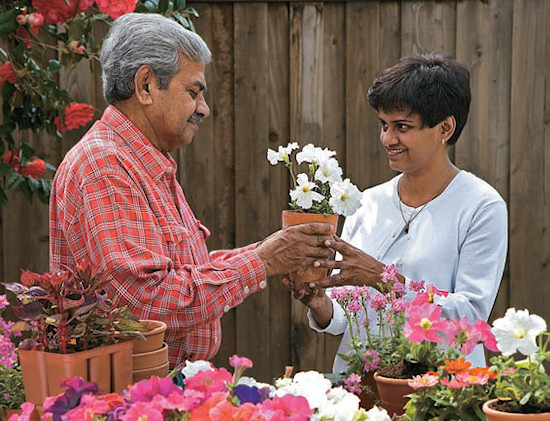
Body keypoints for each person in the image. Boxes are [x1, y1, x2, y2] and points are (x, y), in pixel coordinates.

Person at [49, 13, 334, 369]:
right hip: (132, 398)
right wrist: (264, 261)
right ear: (146, 86)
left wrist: (274, 251)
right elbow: (148, 301)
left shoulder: (142, 160)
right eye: (193, 92)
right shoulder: (105, 165)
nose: (204, 108)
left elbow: (184, 274)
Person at [293, 53, 508, 373]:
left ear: (445, 128)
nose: (387, 139)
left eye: (402, 127)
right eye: (384, 125)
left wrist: (384, 279)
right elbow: (345, 316)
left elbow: (470, 317)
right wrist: (320, 303)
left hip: (440, 391)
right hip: (360, 387)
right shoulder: (368, 202)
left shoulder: (480, 206)